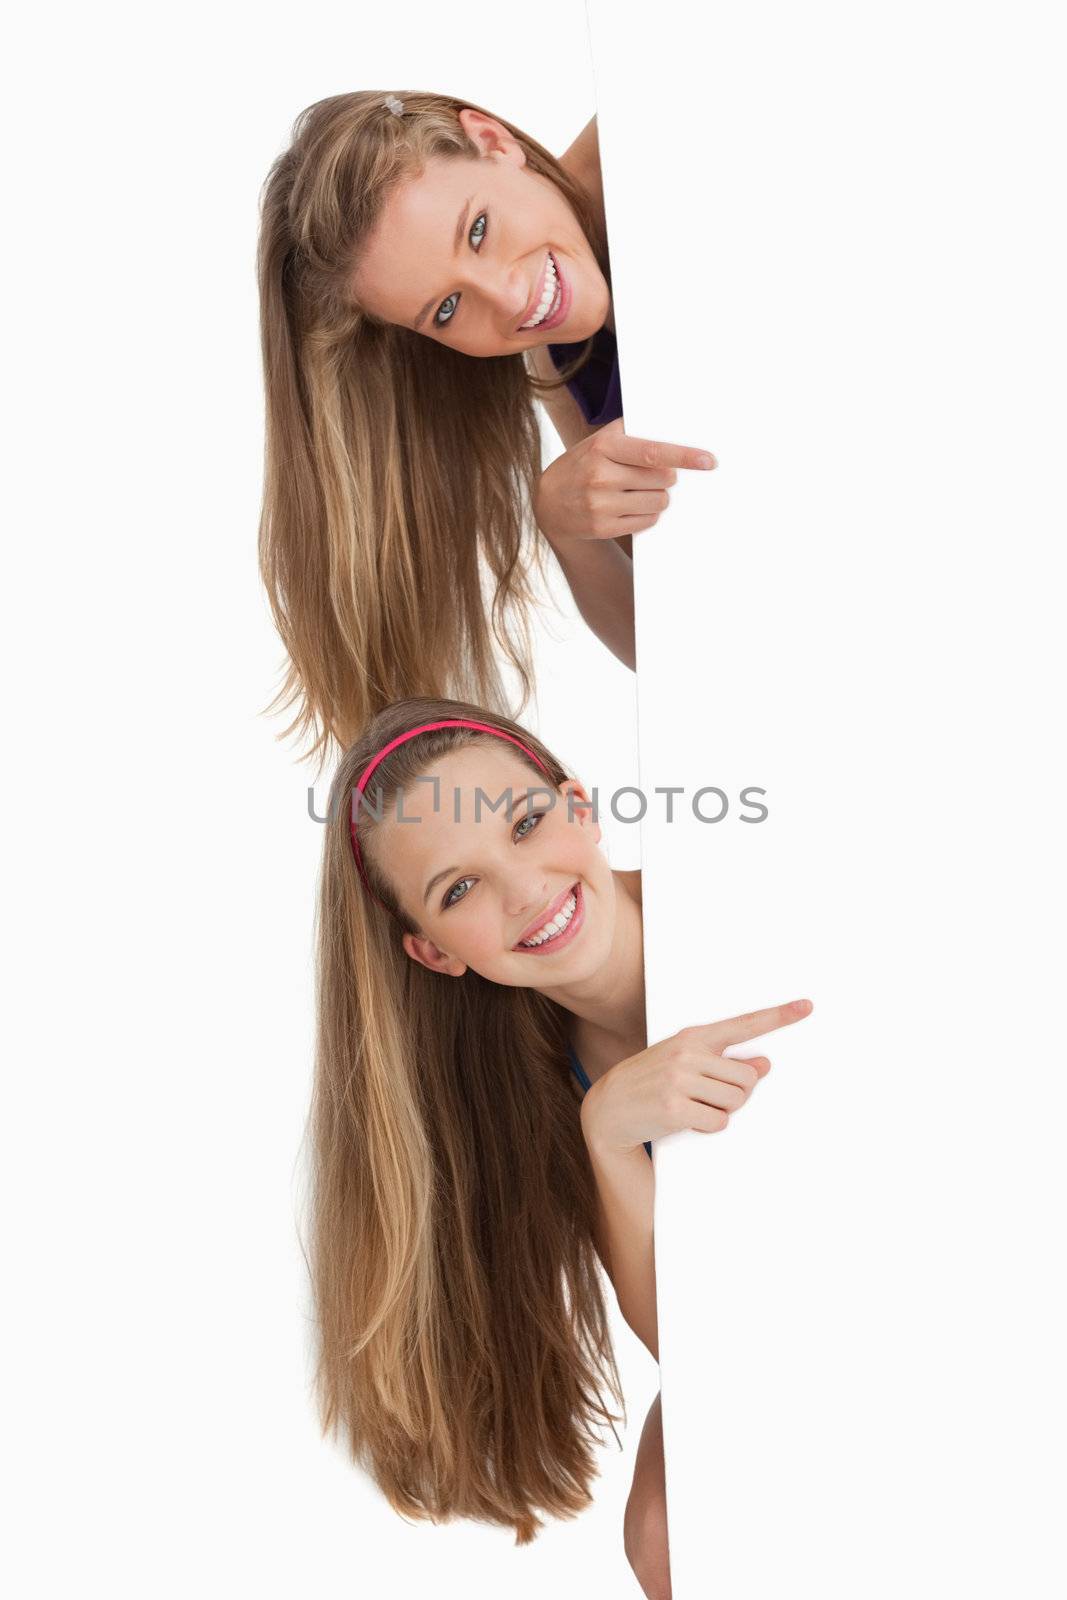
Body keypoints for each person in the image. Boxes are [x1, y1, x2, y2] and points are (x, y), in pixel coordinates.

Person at [310, 695, 813, 1597]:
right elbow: (698, 1347)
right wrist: (610, 1142)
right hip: (787, 1325)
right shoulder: (542, 1093)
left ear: (579, 804)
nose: (524, 890)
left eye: (527, 824)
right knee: (662, 1533)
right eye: (458, 891)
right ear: (432, 954)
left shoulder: (760, 893)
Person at [258, 92, 717, 760]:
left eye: (477, 231)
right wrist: (564, 527)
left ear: (491, 140)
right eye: (446, 309)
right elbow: (680, 654)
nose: (507, 299)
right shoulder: (559, 353)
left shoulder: (652, 120)